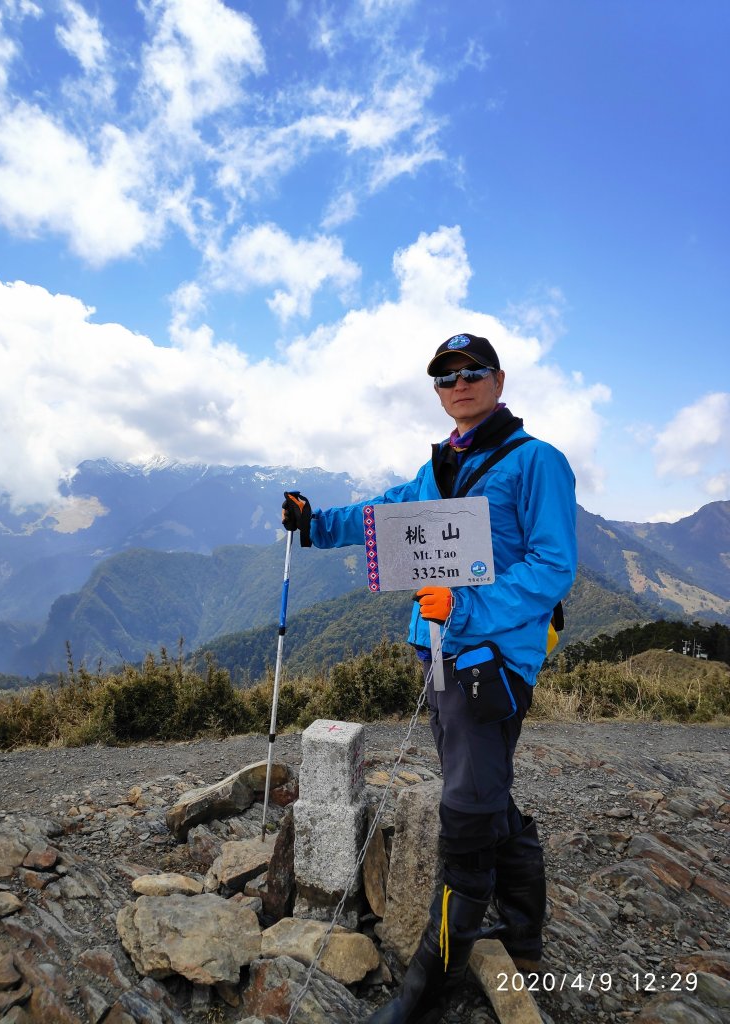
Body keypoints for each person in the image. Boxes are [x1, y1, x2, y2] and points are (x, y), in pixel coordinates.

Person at [282, 332, 577, 1024]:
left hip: (490, 664)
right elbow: (381, 519)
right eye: (446, 376)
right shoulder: (439, 468)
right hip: (440, 659)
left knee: (468, 817)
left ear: (500, 380)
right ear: (438, 390)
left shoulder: (537, 463)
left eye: (473, 371)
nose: (460, 383)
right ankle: (524, 933)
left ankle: (428, 986)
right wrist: (312, 525)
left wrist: (467, 604)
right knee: (484, 790)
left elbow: (552, 566)